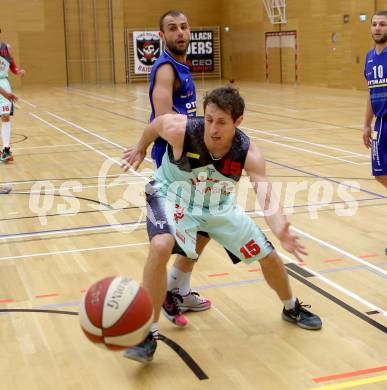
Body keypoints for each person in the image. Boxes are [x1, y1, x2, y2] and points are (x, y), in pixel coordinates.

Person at [122, 86, 322, 363]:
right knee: (161, 245)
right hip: (171, 195)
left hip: (218, 207)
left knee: (269, 255)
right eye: (209, 119)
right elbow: (156, 124)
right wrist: (141, 147)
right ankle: (148, 335)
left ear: (238, 122)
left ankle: (291, 307)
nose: (213, 128)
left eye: (222, 122)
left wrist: (280, 230)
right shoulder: (181, 130)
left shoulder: (247, 152)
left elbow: (266, 195)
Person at [147, 9, 211, 328]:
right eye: (172, 29)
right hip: (174, 160)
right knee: (176, 234)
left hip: (189, 156)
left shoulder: (182, 67)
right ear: (162, 36)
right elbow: (165, 119)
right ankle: (164, 295)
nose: (180, 33)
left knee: (203, 225)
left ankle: (177, 289)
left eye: (184, 27)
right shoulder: (166, 70)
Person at [363, 11, 387, 253]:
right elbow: (370, 94)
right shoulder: (370, 57)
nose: (378, 28)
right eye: (375, 24)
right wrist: (366, 124)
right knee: (379, 173)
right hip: (381, 124)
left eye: (383, 24)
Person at [0, 28, 25, 162]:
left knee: (5, 117)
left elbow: (12, 66)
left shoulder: (6, 48)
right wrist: (6, 94)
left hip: (3, 83)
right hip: (3, 89)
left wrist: (17, 71)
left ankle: (6, 149)